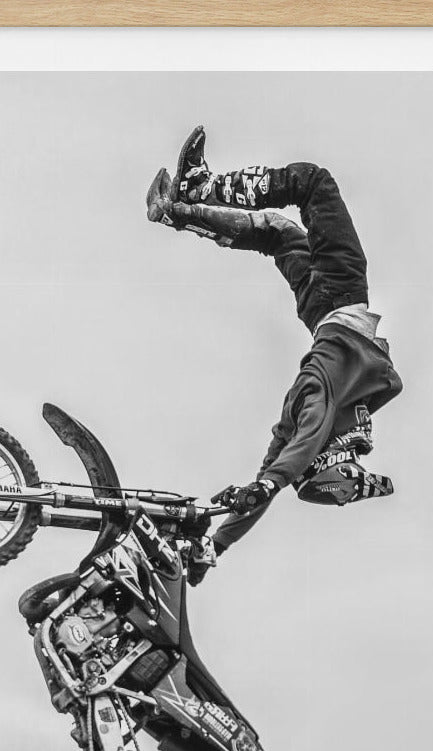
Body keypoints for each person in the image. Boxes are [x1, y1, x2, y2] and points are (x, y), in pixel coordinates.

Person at [146, 126, 403, 585]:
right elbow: (276, 467)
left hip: (340, 297)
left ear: (327, 461)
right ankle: (176, 213)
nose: (361, 437)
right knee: (280, 235)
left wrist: (271, 482)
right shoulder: (305, 410)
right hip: (322, 311)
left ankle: (198, 190)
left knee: (313, 182)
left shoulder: (317, 395)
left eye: (353, 453)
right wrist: (216, 543)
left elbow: (293, 454)